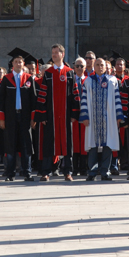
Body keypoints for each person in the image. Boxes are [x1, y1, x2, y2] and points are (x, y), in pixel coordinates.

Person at [34, 44, 80, 181]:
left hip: (65, 115)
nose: (54, 55)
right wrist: (42, 115)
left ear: (62, 54)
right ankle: (46, 172)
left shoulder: (70, 72)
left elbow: (75, 95)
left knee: (67, 143)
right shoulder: (48, 74)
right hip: (50, 115)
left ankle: (67, 172)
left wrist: (73, 114)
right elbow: (42, 96)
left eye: (56, 52)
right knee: (49, 143)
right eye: (52, 52)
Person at [80, 58, 124, 181]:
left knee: (108, 145)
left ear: (106, 67)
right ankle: (92, 172)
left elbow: (117, 99)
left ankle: (105, 171)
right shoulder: (88, 81)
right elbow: (83, 99)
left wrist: (118, 116)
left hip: (109, 119)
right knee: (93, 146)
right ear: (94, 66)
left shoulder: (112, 81)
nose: (100, 67)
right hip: (93, 119)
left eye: (102, 65)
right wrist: (84, 116)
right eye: (97, 65)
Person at [0, 55, 37, 181]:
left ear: (23, 64)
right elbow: (0, 100)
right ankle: (10, 173)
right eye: (16, 62)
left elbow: (33, 100)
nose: (18, 64)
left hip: (24, 116)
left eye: (20, 62)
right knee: (10, 145)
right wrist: (1, 119)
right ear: (12, 64)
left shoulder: (29, 79)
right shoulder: (6, 79)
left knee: (26, 145)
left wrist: (33, 118)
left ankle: (27, 172)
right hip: (10, 117)